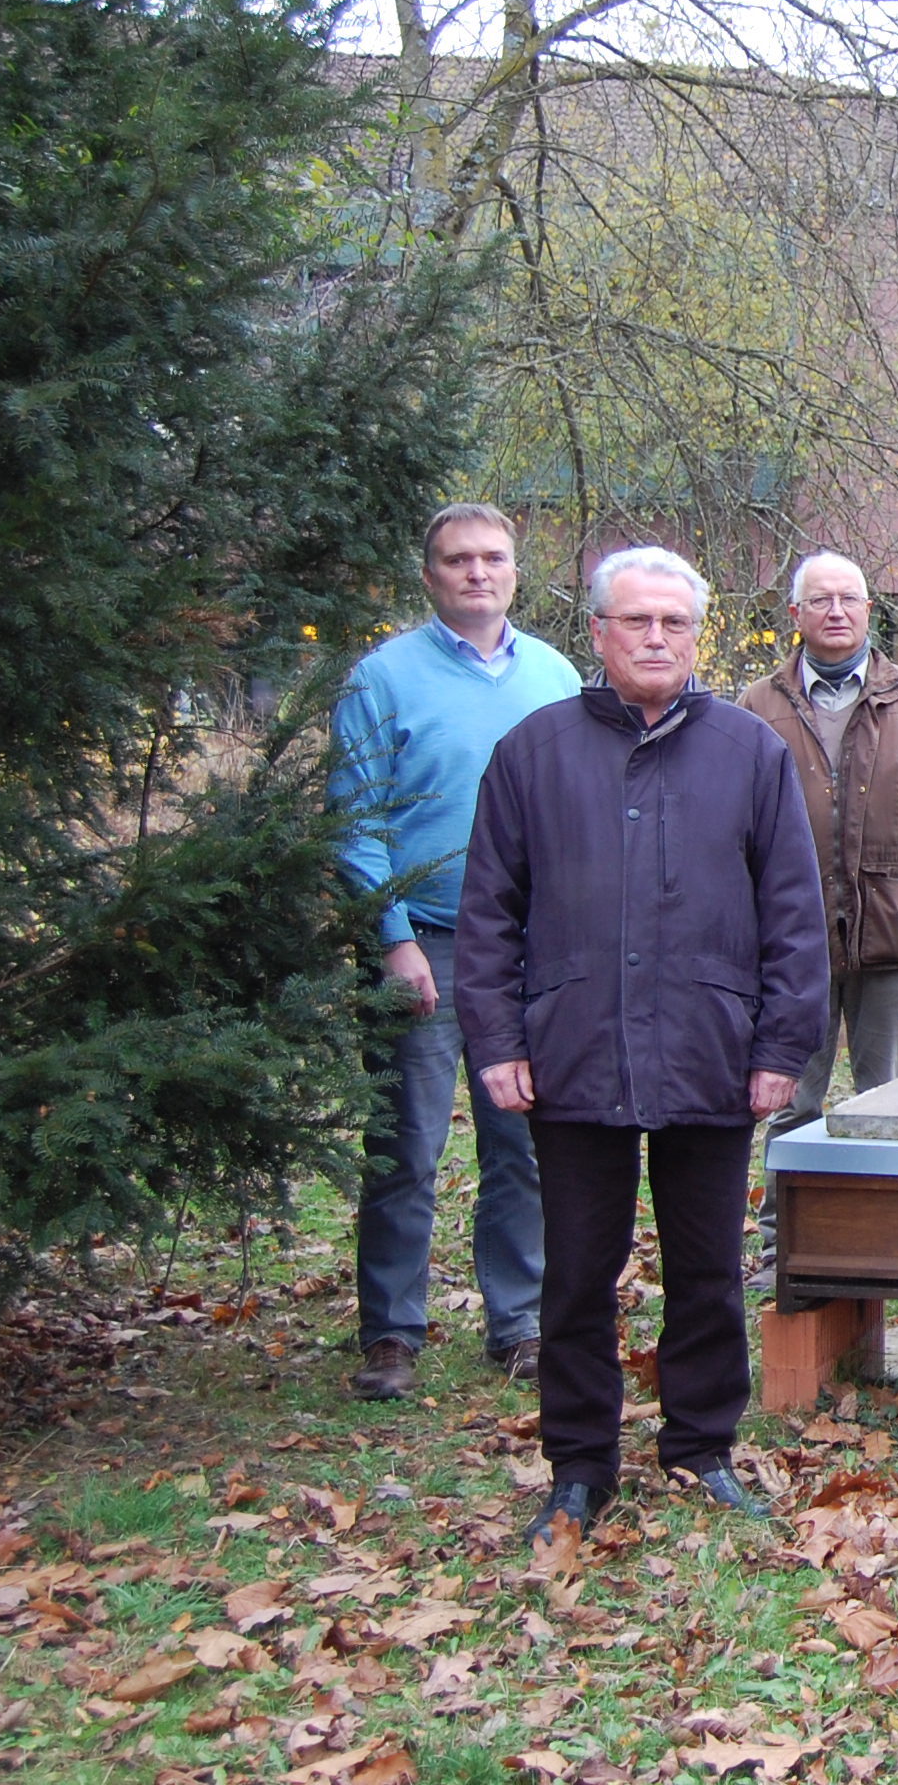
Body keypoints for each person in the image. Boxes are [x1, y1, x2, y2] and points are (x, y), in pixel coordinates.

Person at [459, 546, 831, 1559]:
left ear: (698, 633)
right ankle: (580, 1463)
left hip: (710, 1049)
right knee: (577, 1271)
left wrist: (780, 1045)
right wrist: (496, 1039)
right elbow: (488, 912)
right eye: (636, 621)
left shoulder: (749, 752)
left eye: (675, 622)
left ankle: (701, 1445)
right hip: (572, 1049)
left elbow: (793, 915)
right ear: (598, 631)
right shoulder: (533, 752)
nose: (656, 638)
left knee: (707, 1266)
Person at [328, 503, 584, 1401]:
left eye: (493, 558)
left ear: (516, 570)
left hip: (530, 951)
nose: (478, 573)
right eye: (458, 559)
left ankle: (520, 1323)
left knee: (524, 1146)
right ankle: (391, 1334)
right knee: (407, 1147)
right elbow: (354, 823)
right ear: (429, 574)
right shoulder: (382, 678)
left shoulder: (555, 675)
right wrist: (393, 940)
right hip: (425, 945)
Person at [737, 553, 898, 1125]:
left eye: (848, 599)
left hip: (889, 927)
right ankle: (787, 1191)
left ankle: (878, 1191)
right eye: (820, 600)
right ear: (796, 614)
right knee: (789, 1100)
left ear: (869, 609)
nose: (835, 611)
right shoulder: (758, 705)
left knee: (885, 1105)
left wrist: (891, 864)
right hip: (791, 939)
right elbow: (738, 815)